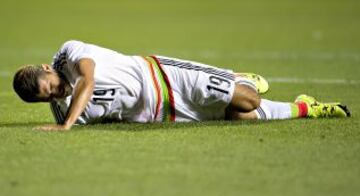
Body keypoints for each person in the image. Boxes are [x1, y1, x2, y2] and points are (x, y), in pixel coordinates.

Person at [12, 40, 350, 131]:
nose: (59, 92)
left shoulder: (70, 54)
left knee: (249, 99)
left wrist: (68, 124)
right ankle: (307, 107)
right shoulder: (62, 111)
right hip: (163, 113)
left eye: (54, 85)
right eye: (51, 97)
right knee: (242, 116)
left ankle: (240, 79)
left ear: (48, 69)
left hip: (164, 74)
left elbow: (87, 79)